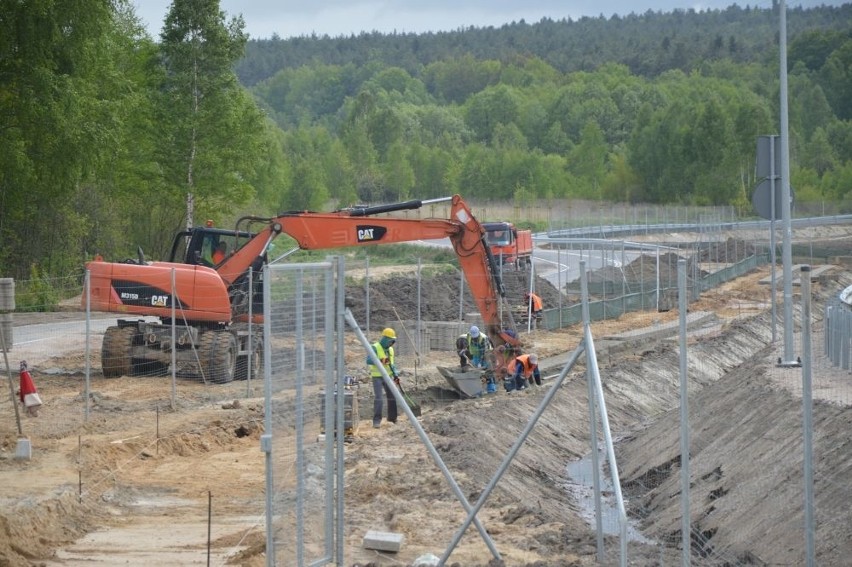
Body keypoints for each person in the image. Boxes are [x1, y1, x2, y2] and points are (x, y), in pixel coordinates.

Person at [367, 327, 400, 428]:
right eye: (390, 341)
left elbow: (392, 364)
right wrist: (380, 360)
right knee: (379, 398)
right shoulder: (375, 347)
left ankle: (392, 418)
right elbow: (368, 360)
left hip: (388, 376)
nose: (391, 343)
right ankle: (376, 421)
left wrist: (395, 375)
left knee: (392, 396)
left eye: (392, 341)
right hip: (377, 377)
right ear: (385, 339)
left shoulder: (390, 350)